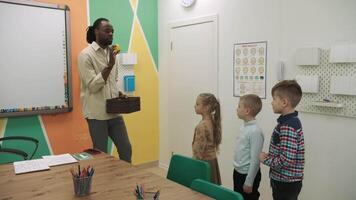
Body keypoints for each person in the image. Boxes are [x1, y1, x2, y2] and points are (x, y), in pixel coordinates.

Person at [77, 18, 132, 163]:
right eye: (107, 31)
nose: (111, 34)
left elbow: (112, 81)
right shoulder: (85, 55)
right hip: (97, 114)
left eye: (112, 31)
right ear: (96, 32)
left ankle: (126, 181)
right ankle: (103, 184)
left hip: (114, 112)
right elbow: (93, 86)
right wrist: (109, 66)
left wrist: (117, 93)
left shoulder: (111, 53)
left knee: (126, 148)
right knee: (101, 155)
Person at [259, 80, 305, 200]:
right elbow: (285, 151)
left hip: (286, 182)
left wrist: (266, 160)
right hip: (285, 180)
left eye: (274, 99)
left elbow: (286, 160)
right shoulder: (289, 122)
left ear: (284, 102)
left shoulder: (288, 126)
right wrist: (271, 155)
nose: (271, 102)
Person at [234, 94, 264, 200]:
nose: (236, 109)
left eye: (239, 106)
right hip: (238, 172)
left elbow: (255, 159)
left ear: (247, 111)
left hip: (248, 175)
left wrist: (249, 181)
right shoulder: (243, 126)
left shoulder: (255, 131)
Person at [192, 93, 222, 185]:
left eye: (197, 104)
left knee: (203, 190)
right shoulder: (213, 122)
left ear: (206, 107)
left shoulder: (202, 126)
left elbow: (198, 150)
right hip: (212, 161)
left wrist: (194, 163)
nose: (194, 106)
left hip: (204, 163)